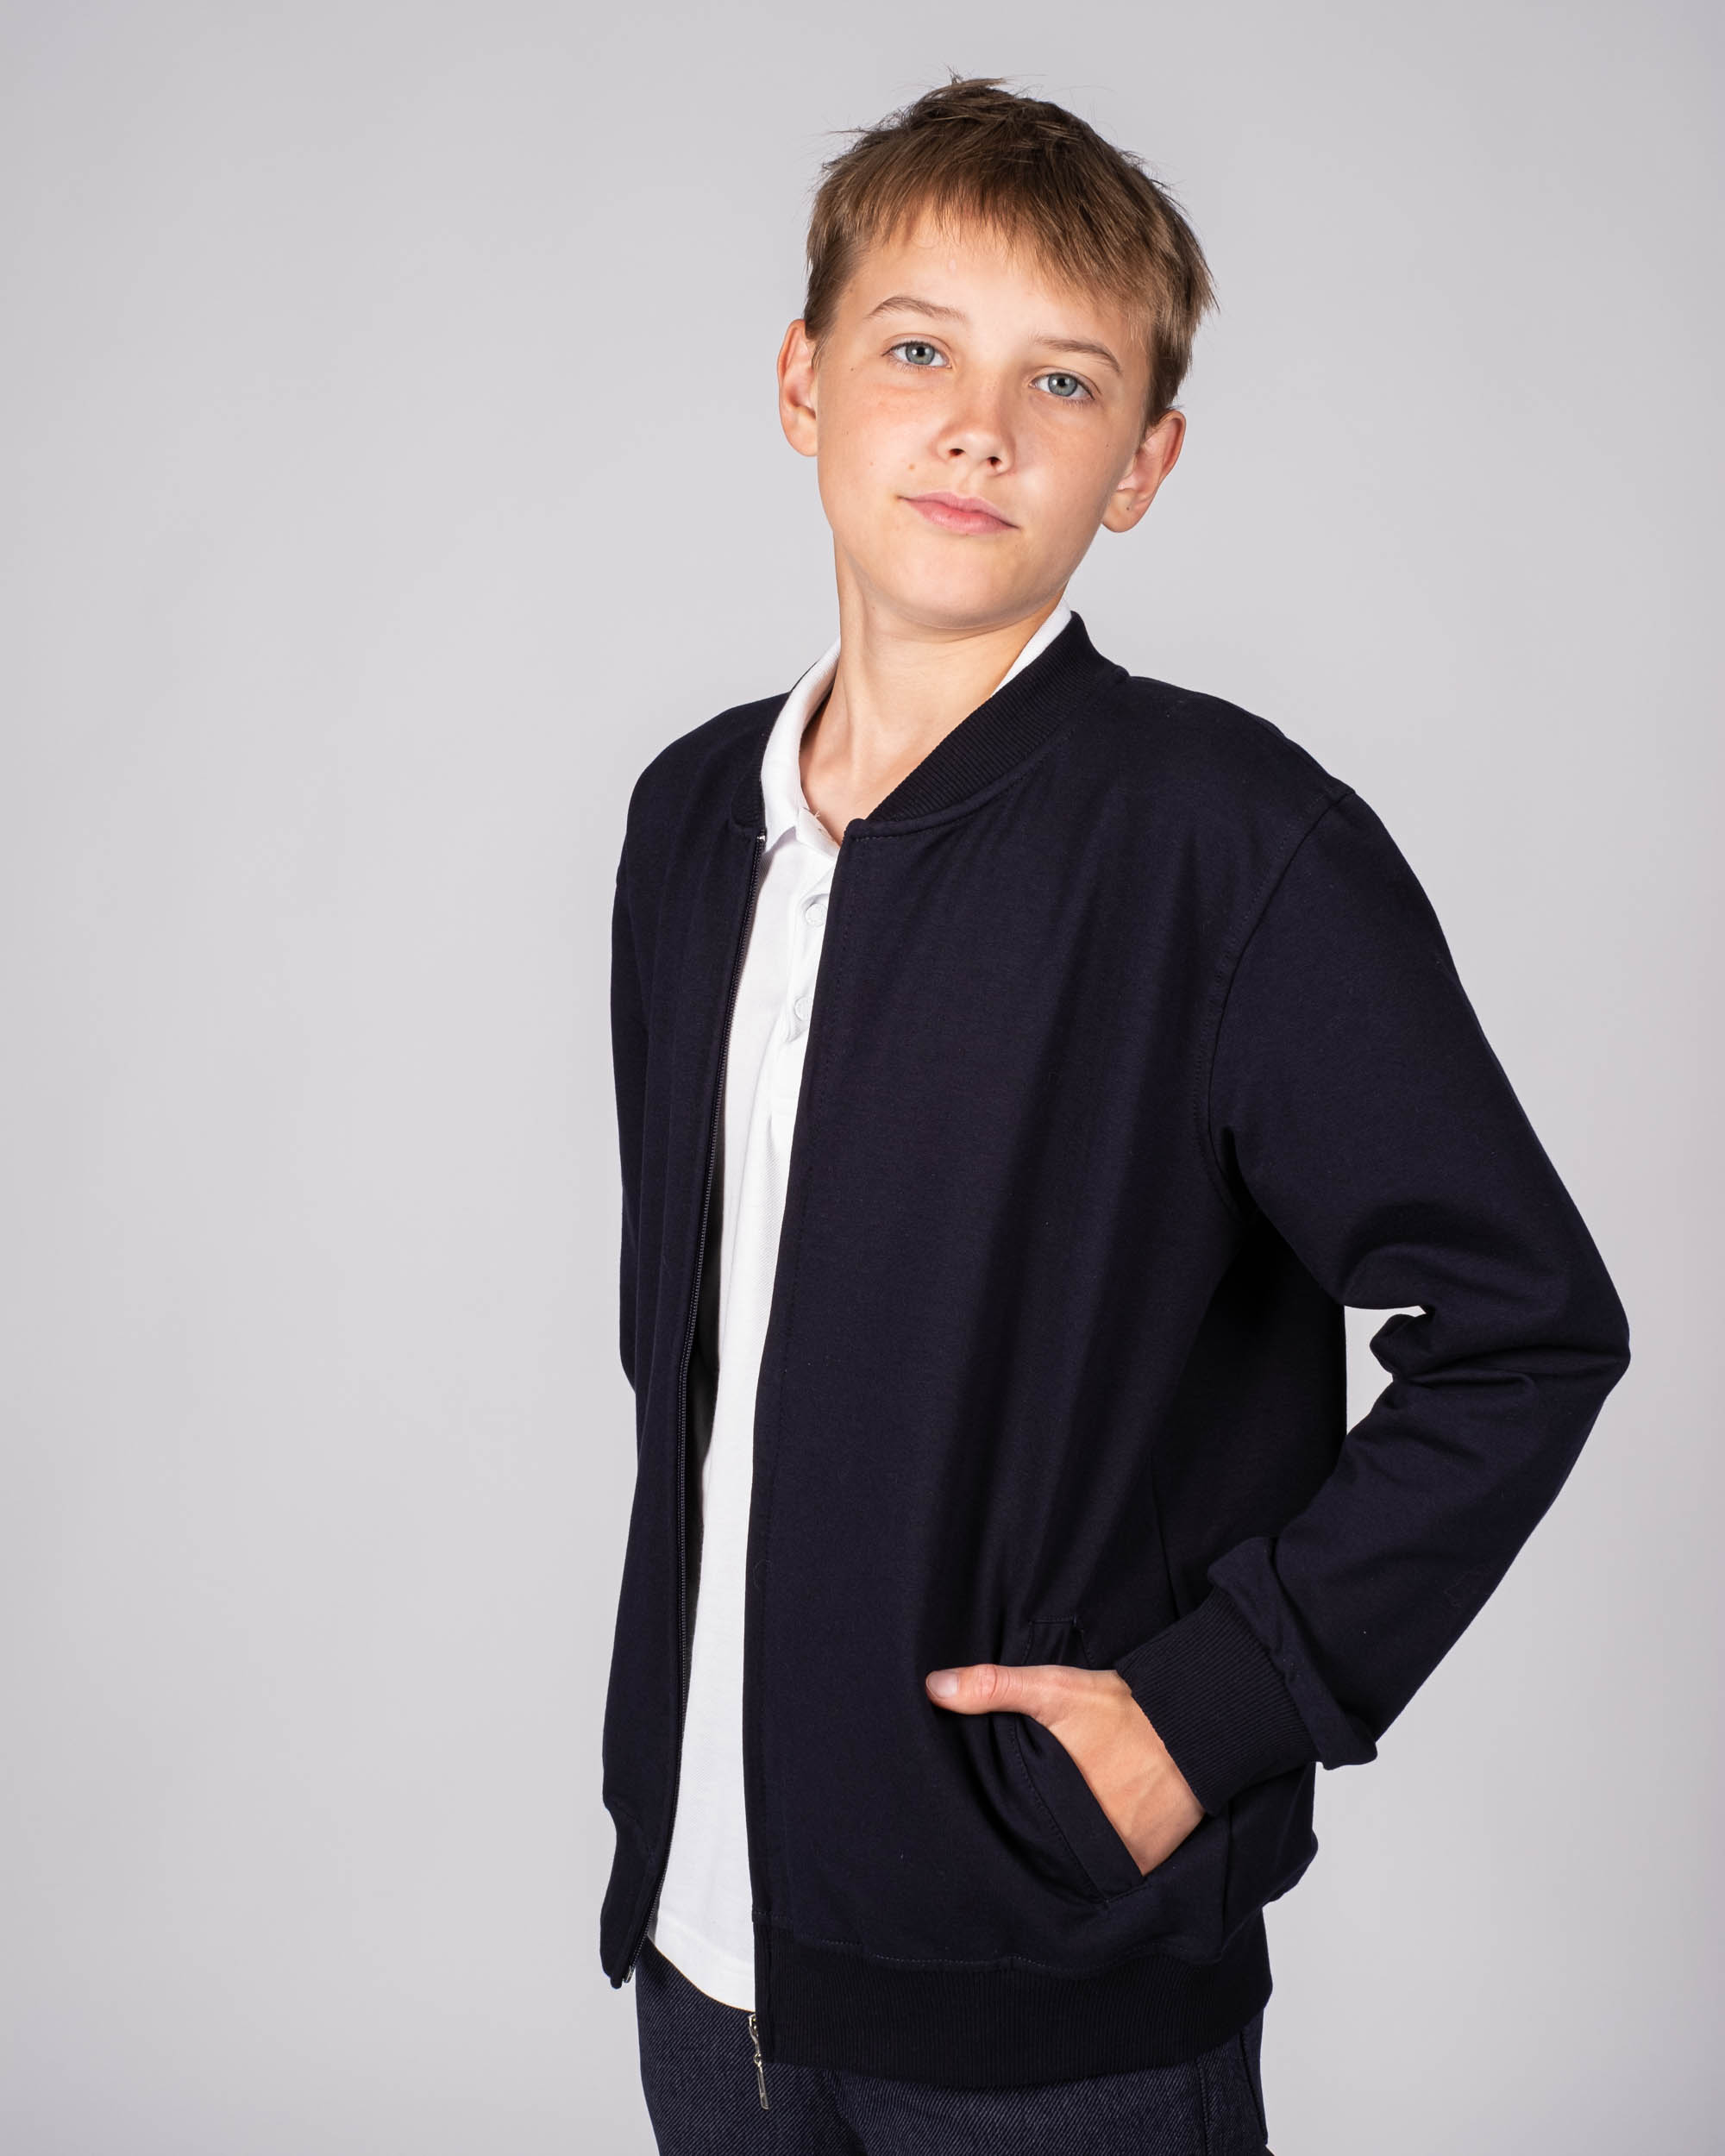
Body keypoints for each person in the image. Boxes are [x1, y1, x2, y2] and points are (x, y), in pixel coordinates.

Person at [599, 73, 1632, 2153]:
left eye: (1060, 381)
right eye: (917, 350)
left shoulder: (1230, 846)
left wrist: (1215, 1707)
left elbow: (1527, 1329)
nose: (978, 427)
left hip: (1055, 2000)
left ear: (1142, 460)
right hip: (708, 1969)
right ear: (803, 382)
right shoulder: (692, 819)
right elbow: (713, 1375)